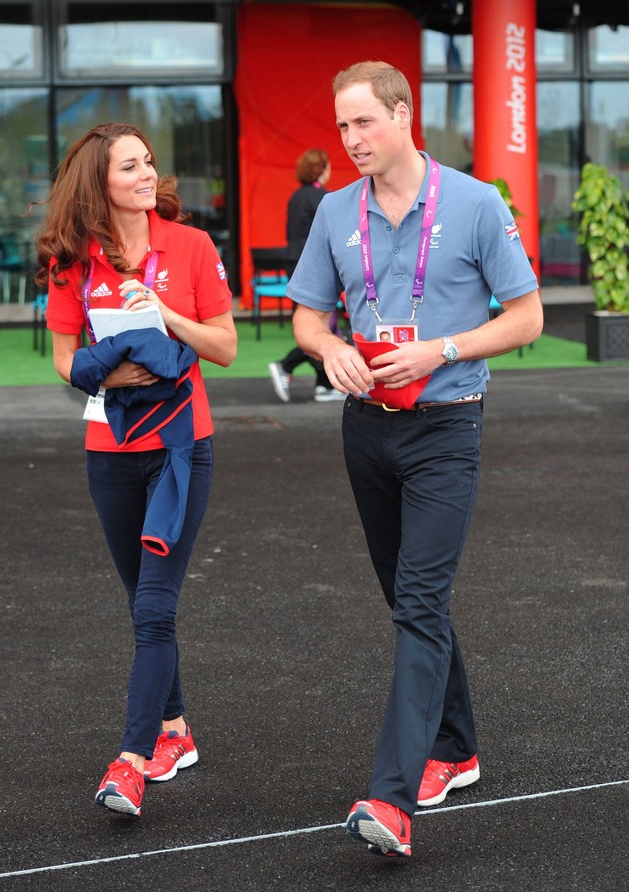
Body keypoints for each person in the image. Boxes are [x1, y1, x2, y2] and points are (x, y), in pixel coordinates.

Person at [290, 61, 543, 857]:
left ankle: (392, 798)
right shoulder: (335, 211)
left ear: (403, 115)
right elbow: (305, 317)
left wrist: (443, 348)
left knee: (421, 601)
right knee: (412, 599)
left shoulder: (473, 202)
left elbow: (529, 317)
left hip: (446, 428)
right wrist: (328, 346)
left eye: (363, 122)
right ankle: (456, 747)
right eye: (341, 127)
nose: (351, 139)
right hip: (365, 429)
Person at [35, 122, 237, 817]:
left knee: (155, 606)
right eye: (131, 166)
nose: (148, 174)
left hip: (181, 448)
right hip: (109, 453)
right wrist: (114, 371)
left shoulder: (192, 246)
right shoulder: (73, 261)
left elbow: (227, 346)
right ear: (101, 182)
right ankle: (176, 730)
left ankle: (129, 761)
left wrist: (166, 317)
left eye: (150, 161)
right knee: (142, 602)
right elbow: (64, 358)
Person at [268, 148, 345, 403]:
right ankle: (286, 366)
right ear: (322, 169)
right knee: (321, 326)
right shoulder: (323, 198)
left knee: (316, 323)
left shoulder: (297, 196)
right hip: (313, 267)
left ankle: (324, 384)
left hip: (294, 263)